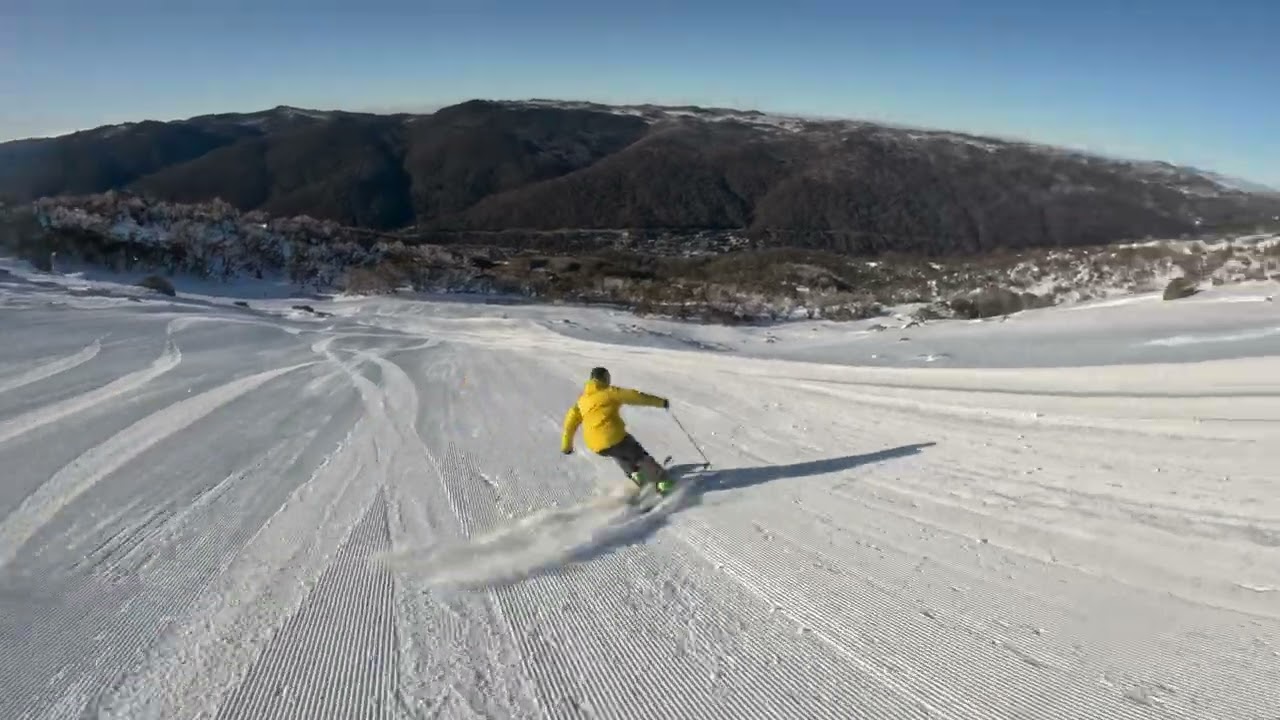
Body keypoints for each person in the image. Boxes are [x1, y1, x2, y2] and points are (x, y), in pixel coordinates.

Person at [561, 367, 674, 494]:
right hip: (613, 436)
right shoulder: (608, 392)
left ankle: (636, 475)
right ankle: (663, 482)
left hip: (596, 446)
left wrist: (566, 445)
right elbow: (635, 396)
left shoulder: (581, 401)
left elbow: (569, 423)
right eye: (607, 377)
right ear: (603, 378)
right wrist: (660, 402)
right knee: (637, 454)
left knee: (618, 453)